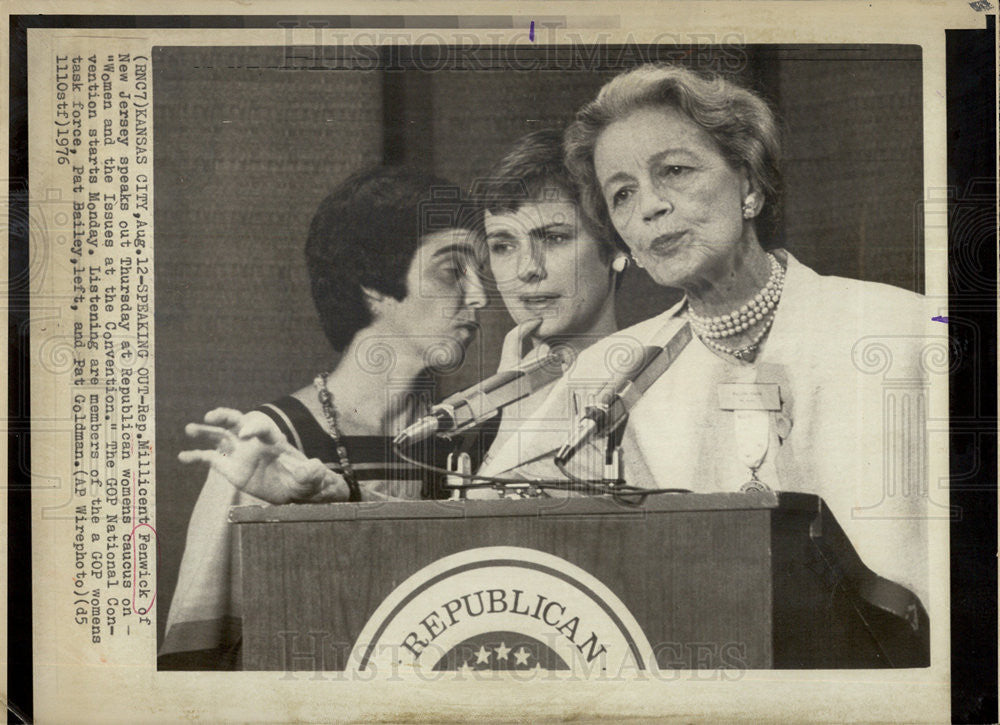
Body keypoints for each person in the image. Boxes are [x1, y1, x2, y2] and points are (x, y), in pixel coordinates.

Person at [491, 64, 941, 607]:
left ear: (748, 182)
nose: (651, 206)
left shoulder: (903, 330)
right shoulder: (611, 374)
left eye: (675, 171)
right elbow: (503, 522)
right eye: (623, 194)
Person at [160, 167, 487, 668]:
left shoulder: (467, 443)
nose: (480, 296)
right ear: (375, 285)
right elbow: (194, 661)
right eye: (451, 271)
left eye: (481, 272)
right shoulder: (268, 445)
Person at [468, 129, 631, 481]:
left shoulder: (664, 396)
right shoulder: (472, 423)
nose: (527, 269)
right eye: (503, 246)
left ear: (617, 245)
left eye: (555, 238)